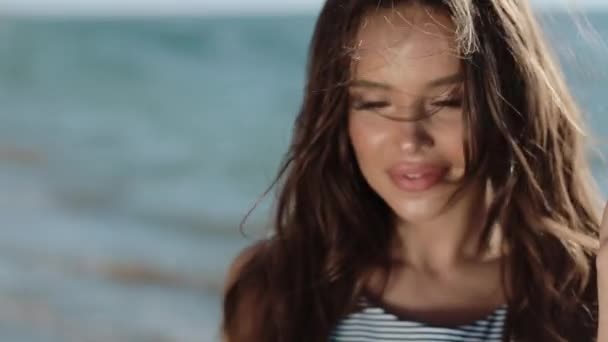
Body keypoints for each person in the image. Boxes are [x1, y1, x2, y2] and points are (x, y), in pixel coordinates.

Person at [221, 0, 608, 341]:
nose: (409, 139)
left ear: (508, 101)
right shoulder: (277, 288)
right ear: (338, 113)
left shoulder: (585, 291)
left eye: (448, 101)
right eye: (374, 103)